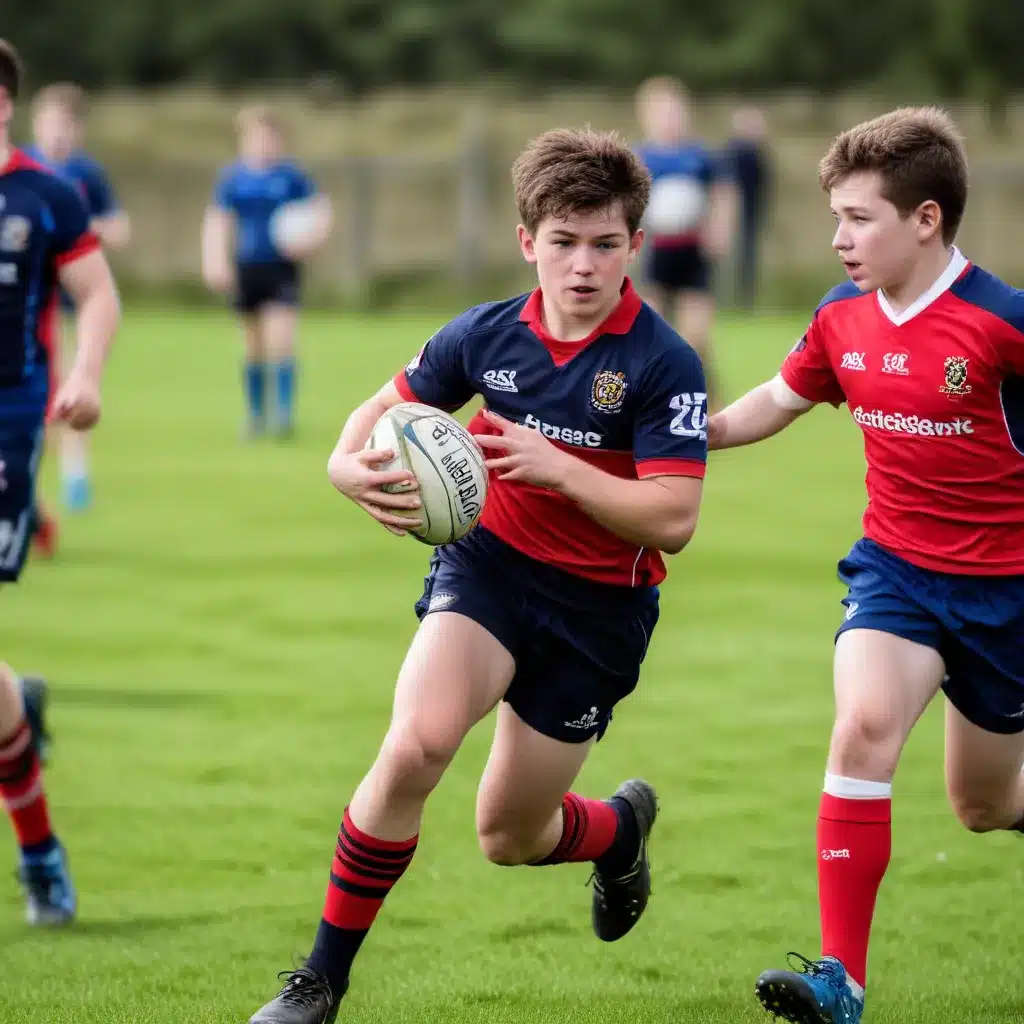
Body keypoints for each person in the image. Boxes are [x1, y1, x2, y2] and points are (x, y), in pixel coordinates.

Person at [247, 127, 709, 1024]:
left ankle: (617, 831)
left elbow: (674, 519)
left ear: (634, 247)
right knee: (416, 745)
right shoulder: (486, 335)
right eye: (563, 242)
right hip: (488, 571)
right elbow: (384, 409)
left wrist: (558, 466)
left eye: (605, 244)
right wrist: (344, 465)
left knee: (509, 836)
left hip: (598, 612)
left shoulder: (662, 363)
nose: (583, 266)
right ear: (527, 239)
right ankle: (317, 984)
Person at [707, 107, 1024, 1024]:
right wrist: (689, 433)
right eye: (835, 217)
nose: (839, 238)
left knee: (983, 804)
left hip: (1005, 595)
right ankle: (839, 981)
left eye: (860, 218)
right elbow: (776, 398)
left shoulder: (1001, 325)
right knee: (863, 729)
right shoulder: (840, 319)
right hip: (896, 575)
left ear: (926, 219)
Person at [0, 39, 121, 924]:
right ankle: (15, 700)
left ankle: (40, 853)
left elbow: (99, 295)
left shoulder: (46, 194)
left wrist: (86, 375)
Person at [25, 82, 130, 516]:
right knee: (32, 394)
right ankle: (29, 491)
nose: (58, 134)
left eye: (66, 125)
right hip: (28, 300)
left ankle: (75, 478)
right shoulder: (20, 169)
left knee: (71, 386)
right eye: (51, 123)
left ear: (78, 130)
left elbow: (121, 229)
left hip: (74, 298)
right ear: (35, 123)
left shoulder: (87, 175)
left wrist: (86, 236)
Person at [201, 105, 332, 439]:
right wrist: (215, 260)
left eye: (269, 137)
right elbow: (218, 220)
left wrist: (310, 239)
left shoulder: (291, 177)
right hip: (247, 267)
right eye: (256, 137)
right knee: (252, 345)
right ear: (244, 140)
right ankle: (256, 416)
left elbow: (322, 212)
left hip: (281, 269)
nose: (263, 144)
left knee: (282, 339)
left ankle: (284, 416)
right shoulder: (233, 178)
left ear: (279, 140)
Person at [634, 76, 736, 411]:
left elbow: (724, 194)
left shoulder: (699, 156)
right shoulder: (641, 158)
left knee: (696, 337)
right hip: (656, 251)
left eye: (675, 112)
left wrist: (720, 229)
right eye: (663, 113)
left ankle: (710, 401)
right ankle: (653, 402)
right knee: (651, 333)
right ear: (647, 116)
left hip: (693, 254)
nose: (671, 119)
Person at [722, 105, 772, 310]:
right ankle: (730, 301)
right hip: (735, 214)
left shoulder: (759, 152)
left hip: (752, 213)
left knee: (748, 258)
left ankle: (745, 301)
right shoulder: (734, 151)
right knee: (731, 258)